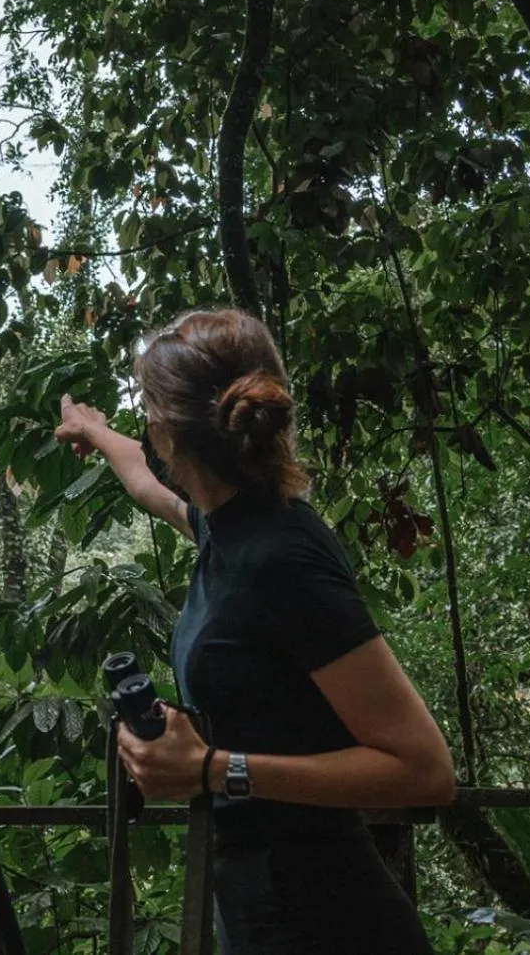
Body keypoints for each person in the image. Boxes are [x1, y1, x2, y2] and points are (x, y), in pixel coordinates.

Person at [55, 309, 454, 955]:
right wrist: (94, 431)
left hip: (327, 917)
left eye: (146, 417)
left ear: (170, 435)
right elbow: (147, 487)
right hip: (259, 907)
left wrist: (215, 769)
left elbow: (425, 769)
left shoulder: (281, 557)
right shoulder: (225, 525)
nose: (143, 434)